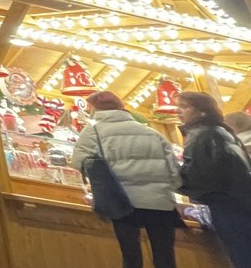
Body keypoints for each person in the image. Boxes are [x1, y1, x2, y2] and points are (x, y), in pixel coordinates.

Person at [70, 91, 182, 268]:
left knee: (131, 257)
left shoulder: (93, 131)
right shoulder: (152, 133)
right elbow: (174, 172)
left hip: (123, 202)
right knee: (165, 257)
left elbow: (78, 162)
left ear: (94, 109)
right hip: (160, 203)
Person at [177, 92, 251, 268]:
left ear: (202, 111)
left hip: (226, 205)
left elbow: (201, 177)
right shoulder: (223, 133)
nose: (179, 111)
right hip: (239, 201)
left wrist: (174, 180)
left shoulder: (202, 136)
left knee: (242, 255)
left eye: (185, 106)